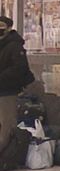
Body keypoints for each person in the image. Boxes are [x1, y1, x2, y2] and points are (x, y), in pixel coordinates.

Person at [0, 16, 34, 150]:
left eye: (1, 26)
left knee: (7, 125)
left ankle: (4, 155)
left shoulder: (14, 45)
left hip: (8, 91)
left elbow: (19, 68)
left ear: (8, 28)